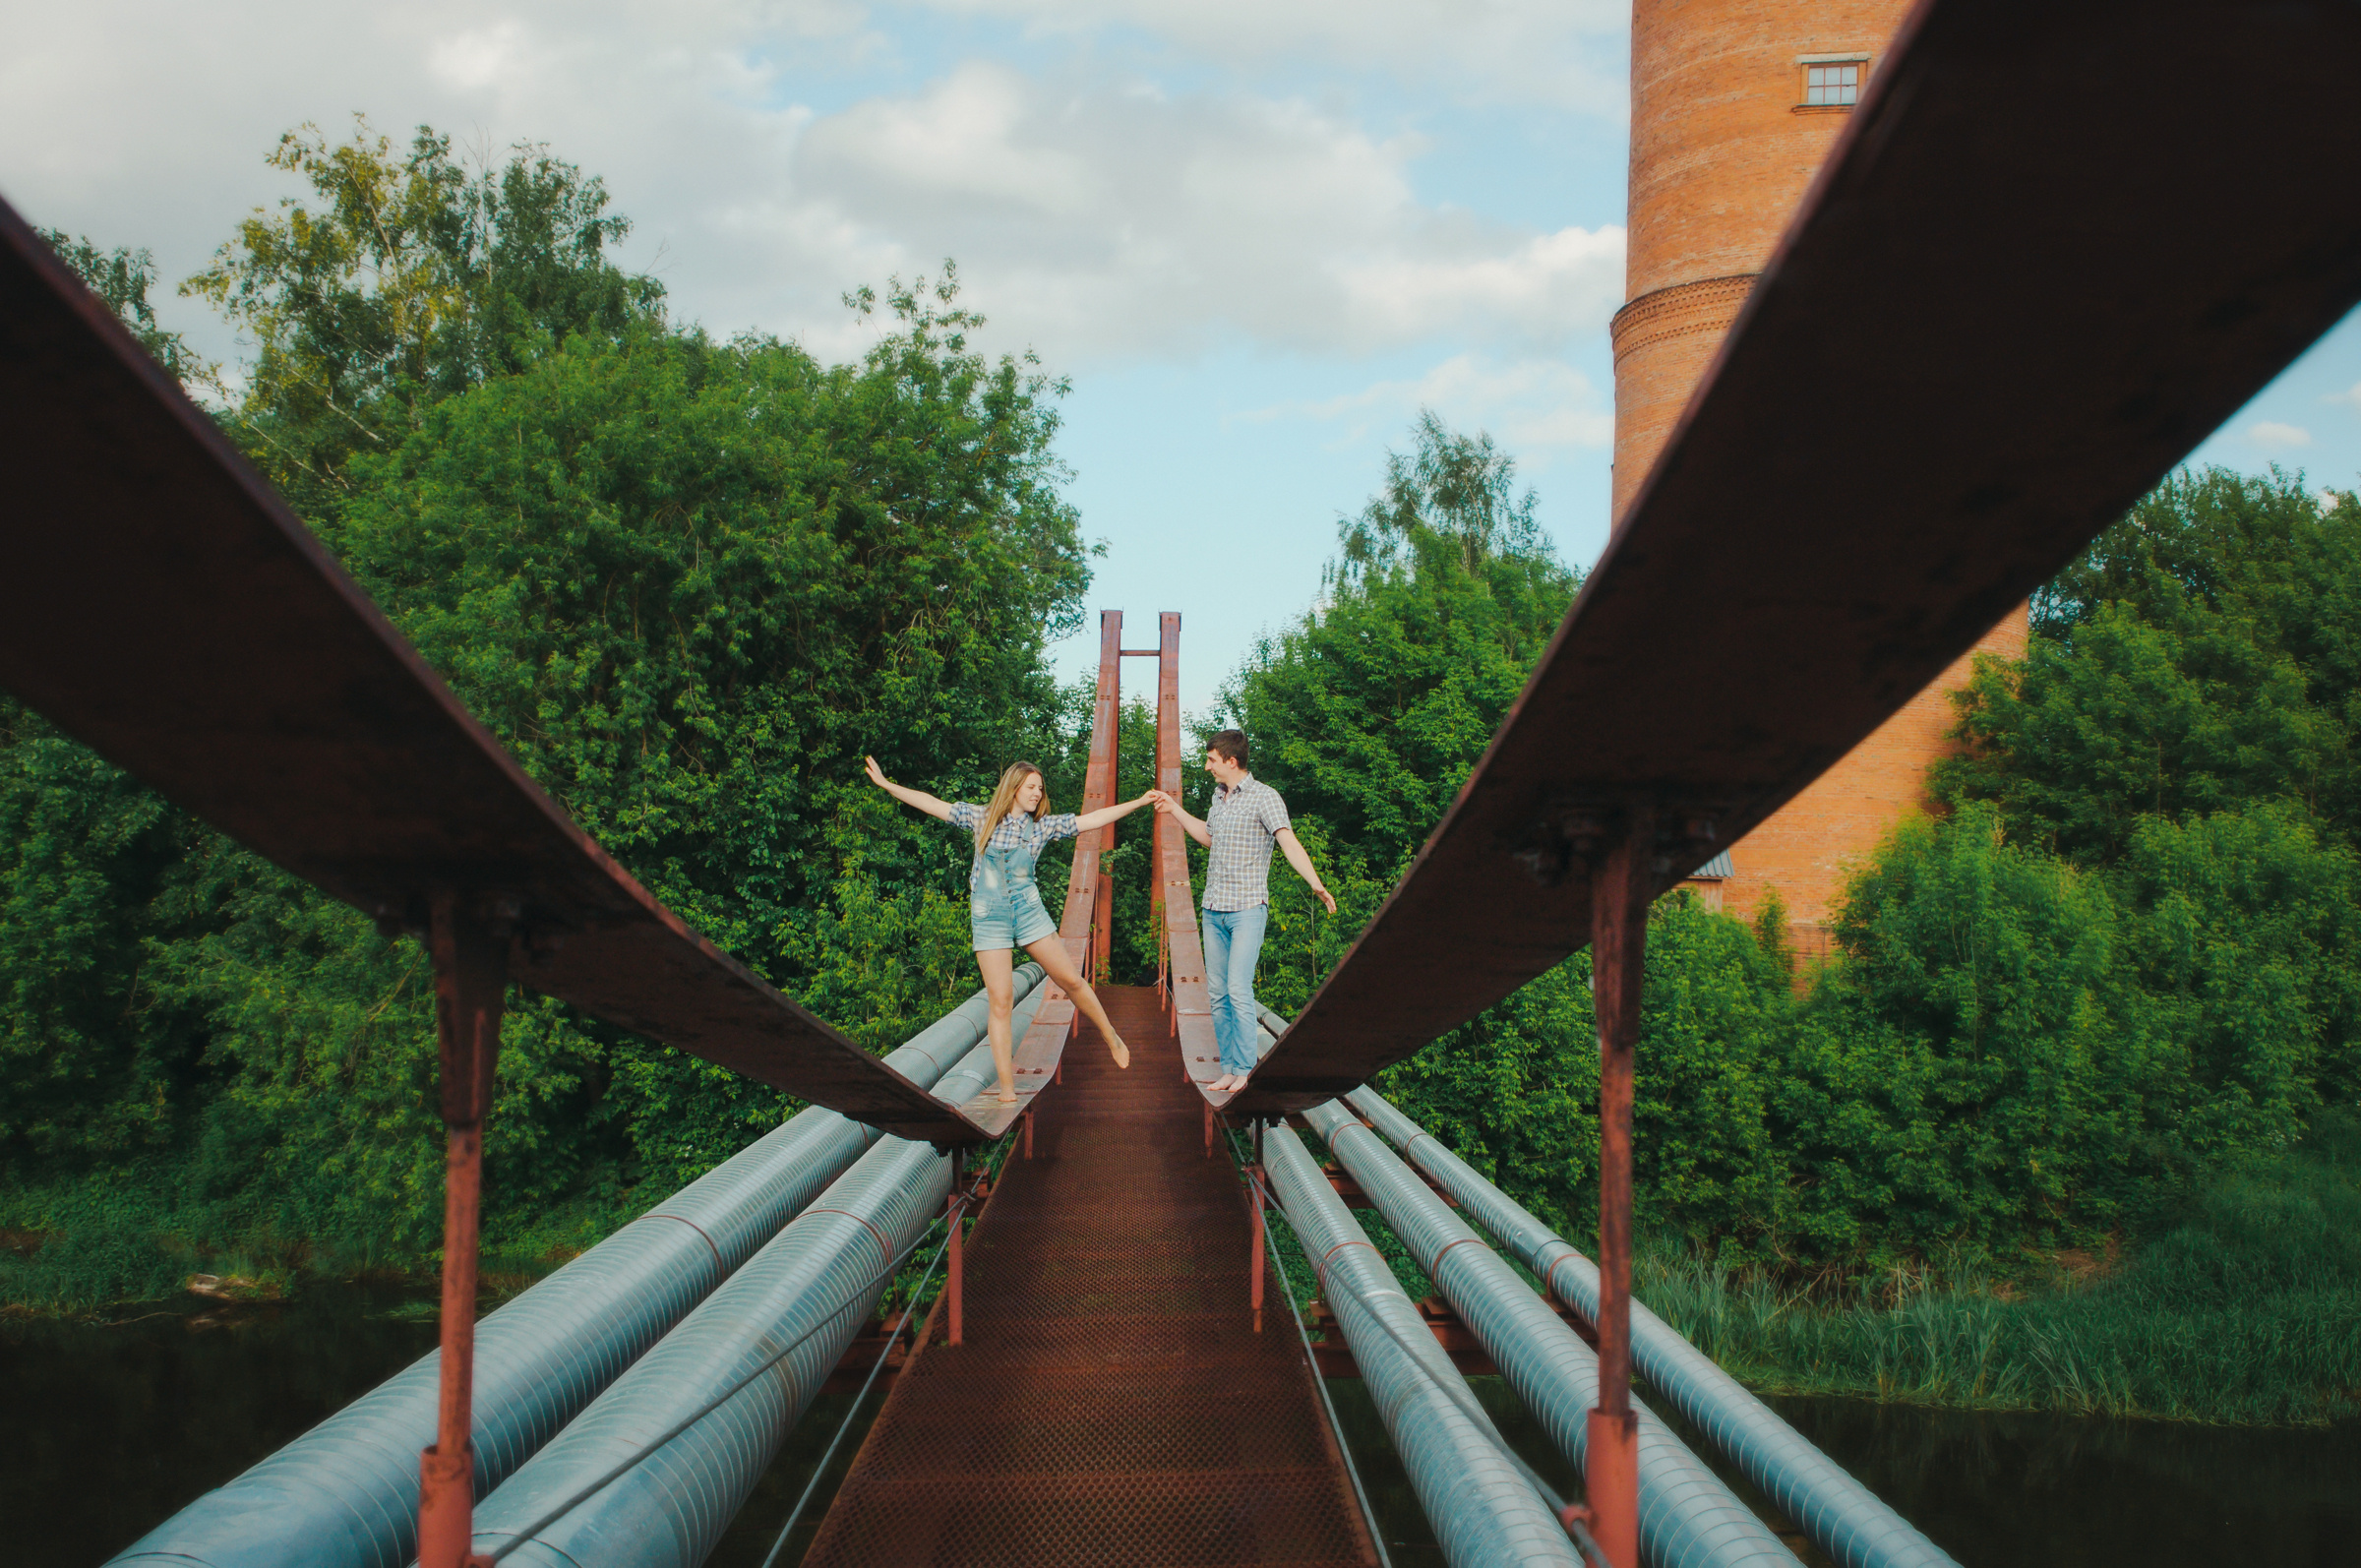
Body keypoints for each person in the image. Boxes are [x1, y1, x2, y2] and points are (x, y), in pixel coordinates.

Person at [865, 755, 1164, 1103]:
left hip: (1028, 910)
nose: (1038, 793)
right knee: (1001, 1001)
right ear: (1015, 787)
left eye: (1041, 788)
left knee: (1070, 980)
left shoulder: (1043, 827)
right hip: (989, 916)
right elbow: (932, 803)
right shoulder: (982, 818)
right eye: (1032, 787)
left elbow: (1093, 818)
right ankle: (1007, 1088)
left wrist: (1139, 802)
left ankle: (1111, 1035)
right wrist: (888, 785)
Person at [1153, 730, 1335, 1093]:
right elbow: (1209, 836)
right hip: (1213, 908)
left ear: (1230, 761)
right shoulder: (1218, 797)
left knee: (1238, 988)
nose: (1207, 767)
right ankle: (1230, 1066)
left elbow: (1288, 842)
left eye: (1211, 760)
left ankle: (1247, 1070)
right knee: (1217, 993)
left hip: (1247, 908)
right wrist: (1174, 810)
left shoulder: (1265, 798)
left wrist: (1315, 883)